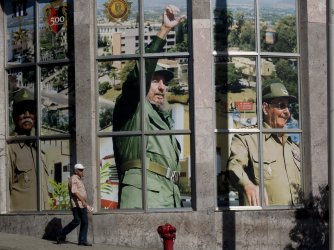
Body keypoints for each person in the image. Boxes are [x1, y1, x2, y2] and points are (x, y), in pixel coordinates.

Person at [112, 5, 185, 209]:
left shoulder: (163, 118)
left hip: (169, 197)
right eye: (155, 81)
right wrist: (164, 30)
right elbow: (139, 75)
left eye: (165, 82)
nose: (162, 87)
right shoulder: (132, 108)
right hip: (143, 198)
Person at [226, 82, 301, 206]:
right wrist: (247, 185)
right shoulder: (247, 139)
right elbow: (234, 166)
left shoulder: (293, 146)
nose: (287, 112)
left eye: (288, 106)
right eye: (281, 105)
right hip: (263, 222)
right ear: (266, 108)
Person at [8, 88, 50, 211]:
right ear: (14, 115)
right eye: (22, 111)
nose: (27, 115)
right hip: (17, 226)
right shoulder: (10, 149)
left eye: (31, 110)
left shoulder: (39, 149)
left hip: (43, 222)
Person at [57, 163, 92, 246]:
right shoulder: (74, 179)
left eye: (82, 169)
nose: (82, 171)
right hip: (78, 204)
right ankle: (60, 234)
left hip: (80, 203)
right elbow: (75, 191)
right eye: (80, 170)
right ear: (76, 171)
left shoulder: (79, 179)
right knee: (80, 221)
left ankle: (81, 240)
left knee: (81, 221)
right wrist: (83, 201)